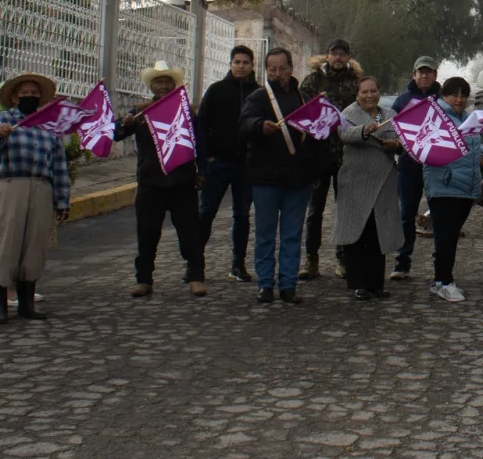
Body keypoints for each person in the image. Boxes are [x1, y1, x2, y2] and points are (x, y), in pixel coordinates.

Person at [0, 73, 71, 324]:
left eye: (34, 94)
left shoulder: (49, 127)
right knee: (6, 243)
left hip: (41, 187)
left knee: (34, 245)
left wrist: (62, 200)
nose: (29, 97)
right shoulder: (4, 119)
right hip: (11, 184)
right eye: (24, 94)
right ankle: (0, 304)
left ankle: (27, 303)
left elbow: (59, 165)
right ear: (14, 97)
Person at [240, 47, 326, 304]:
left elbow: (317, 136)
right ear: (266, 70)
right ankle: (265, 284)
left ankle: (288, 284)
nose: (278, 73)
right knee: (265, 234)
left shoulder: (305, 98)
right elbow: (244, 124)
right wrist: (259, 126)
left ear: (291, 68)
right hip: (265, 178)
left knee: (292, 234)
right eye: (272, 69)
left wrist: (317, 170)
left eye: (282, 68)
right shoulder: (258, 97)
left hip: (298, 180)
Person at [117, 60, 205, 298]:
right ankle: (143, 280)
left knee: (190, 234)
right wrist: (125, 123)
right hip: (150, 183)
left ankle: (196, 276)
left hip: (182, 182)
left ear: (175, 84)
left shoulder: (186, 111)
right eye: (159, 82)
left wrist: (202, 171)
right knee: (146, 235)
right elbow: (116, 133)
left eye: (168, 81)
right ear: (152, 86)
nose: (164, 86)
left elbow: (200, 142)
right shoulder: (140, 111)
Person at [336, 76, 404, 301]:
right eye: (364, 92)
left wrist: (396, 146)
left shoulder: (389, 115)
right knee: (357, 233)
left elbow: (401, 141)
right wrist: (365, 130)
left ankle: (376, 284)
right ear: (357, 94)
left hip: (383, 181)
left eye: (373, 91)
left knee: (378, 234)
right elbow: (344, 135)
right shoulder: (348, 114)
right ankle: (358, 284)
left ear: (379, 92)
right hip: (355, 181)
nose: (369, 95)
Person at [299, 38, 362, 280]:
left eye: (342, 54)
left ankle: (343, 258)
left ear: (348, 57)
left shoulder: (355, 82)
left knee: (344, 209)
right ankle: (311, 259)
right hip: (319, 153)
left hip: (346, 153)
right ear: (327, 55)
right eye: (334, 54)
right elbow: (303, 110)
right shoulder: (313, 80)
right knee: (314, 210)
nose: (338, 58)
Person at [197, 44, 256, 283]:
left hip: (246, 166)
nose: (241, 66)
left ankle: (238, 264)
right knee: (205, 214)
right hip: (218, 164)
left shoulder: (259, 93)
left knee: (242, 216)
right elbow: (201, 125)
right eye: (237, 62)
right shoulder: (216, 90)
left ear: (252, 66)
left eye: (245, 63)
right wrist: (206, 156)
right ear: (230, 64)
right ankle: (194, 264)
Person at [422, 76, 483, 303]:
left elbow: (478, 142)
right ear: (443, 96)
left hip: (466, 187)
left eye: (463, 95)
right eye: (454, 94)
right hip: (444, 185)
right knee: (446, 236)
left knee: (449, 236)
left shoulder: (468, 118)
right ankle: (446, 282)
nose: (459, 99)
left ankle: (439, 281)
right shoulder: (437, 118)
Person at [389, 55, 441, 279]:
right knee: (405, 214)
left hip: (436, 166)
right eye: (420, 71)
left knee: (439, 215)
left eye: (428, 71)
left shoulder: (442, 100)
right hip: (408, 166)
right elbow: (391, 128)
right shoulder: (402, 101)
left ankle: (441, 263)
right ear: (414, 74)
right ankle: (402, 260)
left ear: (435, 75)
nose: (424, 75)